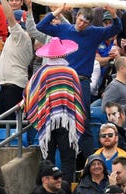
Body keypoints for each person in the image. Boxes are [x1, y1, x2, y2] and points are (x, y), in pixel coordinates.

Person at [24, 38, 85, 183]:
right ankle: (65, 192)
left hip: (47, 120)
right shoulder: (71, 72)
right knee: (68, 158)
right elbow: (77, 96)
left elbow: (29, 91)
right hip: (68, 121)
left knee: (48, 159)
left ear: (48, 55)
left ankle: (47, 191)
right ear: (64, 54)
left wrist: (24, 102)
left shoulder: (41, 73)